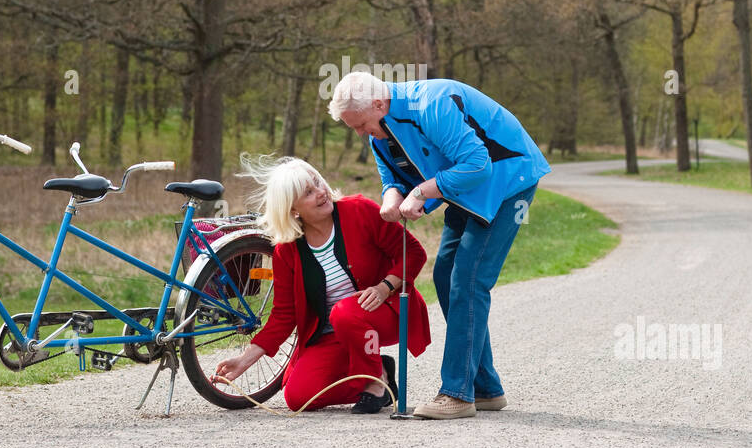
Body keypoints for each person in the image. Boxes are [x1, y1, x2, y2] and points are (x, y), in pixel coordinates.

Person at [330, 71, 550, 419]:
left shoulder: (432, 105)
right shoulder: (380, 127)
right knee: (446, 276)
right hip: (465, 190)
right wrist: (391, 197)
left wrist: (420, 192)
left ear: (378, 103)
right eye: (353, 127)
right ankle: (486, 388)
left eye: (360, 125)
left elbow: (478, 165)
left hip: (507, 182)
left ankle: (457, 394)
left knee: (468, 280)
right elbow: (393, 176)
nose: (359, 134)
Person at [213, 155, 431, 413]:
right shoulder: (287, 251)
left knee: (344, 312)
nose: (320, 193)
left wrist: (384, 287)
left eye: (317, 183)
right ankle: (378, 373)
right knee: (298, 397)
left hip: (385, 312)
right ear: (293, 209)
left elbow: (414, 253)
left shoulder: (360, 211)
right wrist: (244, 360)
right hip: (333, 333)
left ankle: (374, 383)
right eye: (308, 192)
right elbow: (284, 315)